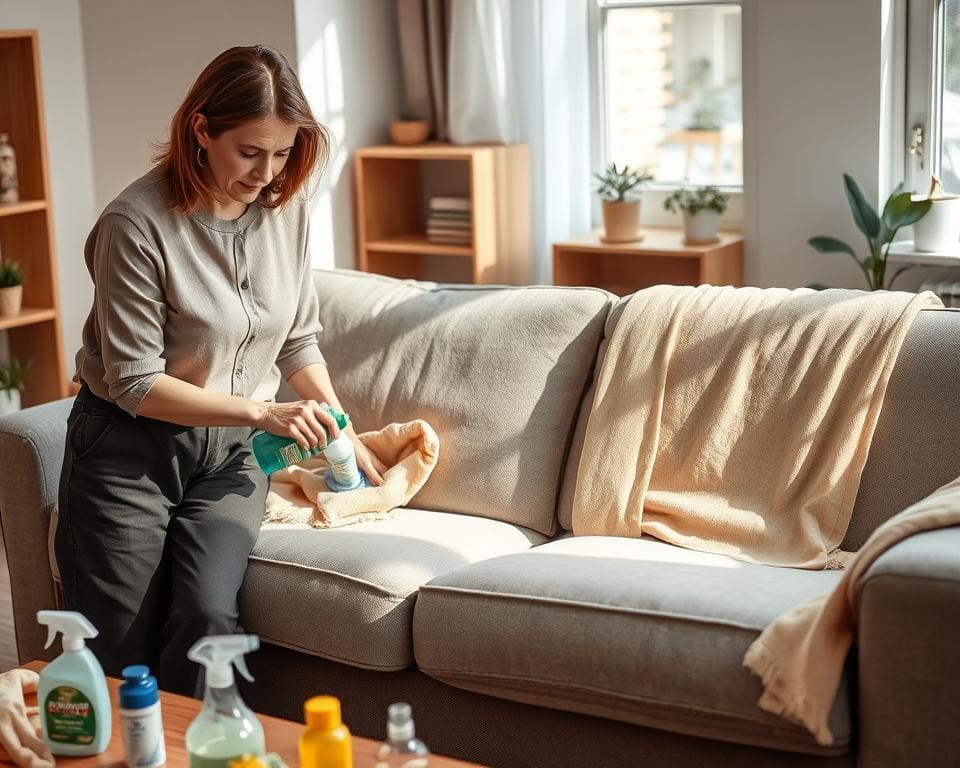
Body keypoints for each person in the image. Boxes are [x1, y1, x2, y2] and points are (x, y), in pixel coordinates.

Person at [54, 45, 389, 697]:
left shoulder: (286, 211)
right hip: (127, 453)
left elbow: (297, 338)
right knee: (121, 647)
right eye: (250, 151)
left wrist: (340, 427)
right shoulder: (135, 225)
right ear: (201, 130)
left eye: (283, 153)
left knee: (211, 618)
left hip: (232, 460)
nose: (267, 173)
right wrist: (264, 412)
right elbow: (134, 381)